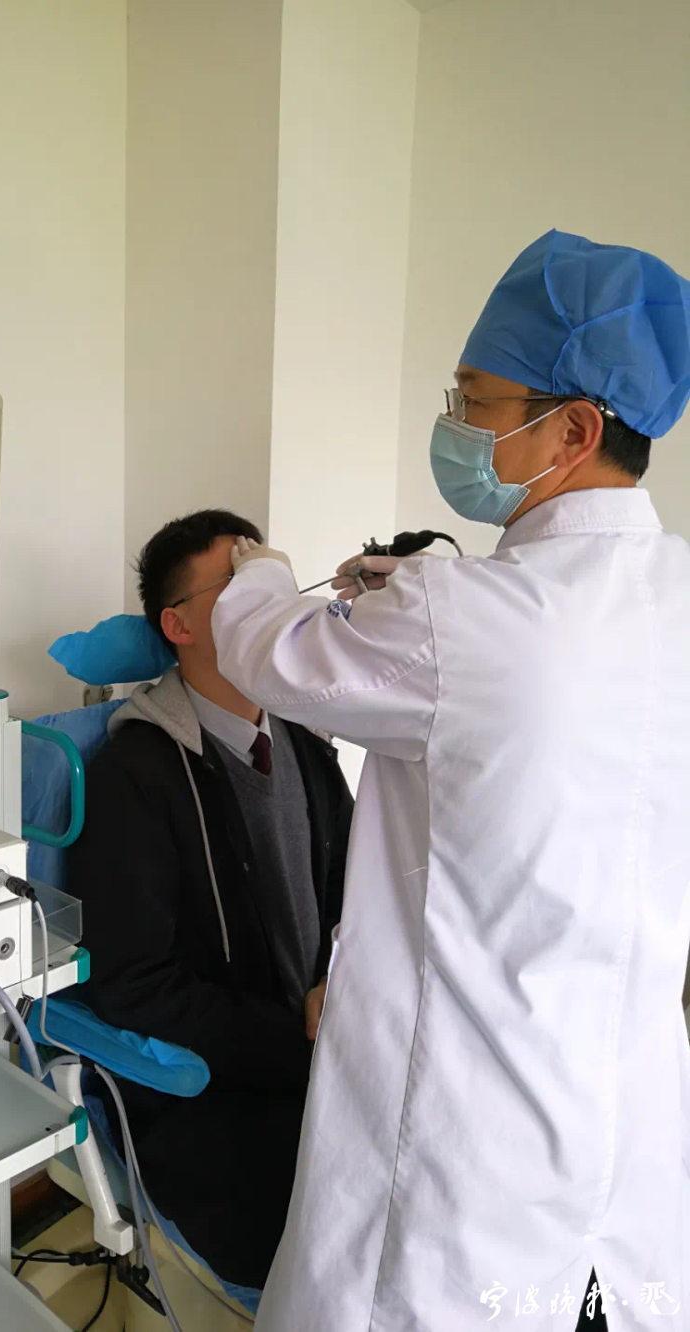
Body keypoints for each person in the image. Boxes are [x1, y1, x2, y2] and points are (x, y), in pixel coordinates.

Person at [211, 230, 690, 1331]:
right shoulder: (663, 597)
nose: (457, 424)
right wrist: (418, 598)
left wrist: (258, 572)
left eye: (476, 401)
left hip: (462, 1141)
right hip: (621, 1126)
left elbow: (268, 654)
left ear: (573, 430)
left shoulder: (455, 617)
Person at [67, 509, 353, 1291]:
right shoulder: (138, 775)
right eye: (237, 584)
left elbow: (355, 894)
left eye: (268, 578)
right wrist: (298, 1037)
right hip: (220, 1097)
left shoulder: (305, 742)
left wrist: (346, 987)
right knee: (348, 1247)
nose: (266, 601)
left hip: (331, 1058)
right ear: (179, 624)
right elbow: (133, 983)